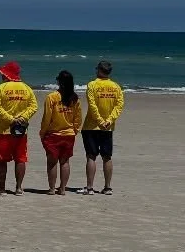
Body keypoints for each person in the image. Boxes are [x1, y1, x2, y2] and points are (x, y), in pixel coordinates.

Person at [0, 61, 38, 195]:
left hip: (3, 130)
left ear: (7, 75)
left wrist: (11, 119)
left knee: (2, 160)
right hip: (21, 130)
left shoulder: (0, 88)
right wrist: (23, 118)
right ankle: (18, 187)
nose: (1, 76)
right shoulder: (27, 88)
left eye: (3, 74)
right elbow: (33, 107)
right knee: (20, 159)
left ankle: (2, 188)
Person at [82, 60, 126, 195]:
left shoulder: (92, 85)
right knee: (107, 156)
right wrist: (109, 120)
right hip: (107, 127)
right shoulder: (116, 87)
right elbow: (119, 106)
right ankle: (107, 187)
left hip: (92, 125)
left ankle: (90, 187)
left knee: (91, 156)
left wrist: (101, 120)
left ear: (99, 70)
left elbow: (92, 105)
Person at [40, 70, 83, 196]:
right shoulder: (74, 98)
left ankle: (52, 188)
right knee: (65, 161)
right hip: (69, 134)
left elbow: (47, 117)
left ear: (59, 81)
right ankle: (63, 189)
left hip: (53, 134)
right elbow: (78, 118)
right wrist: (75, 130)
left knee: (52, 162)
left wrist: (43, 132)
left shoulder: (52, 97)